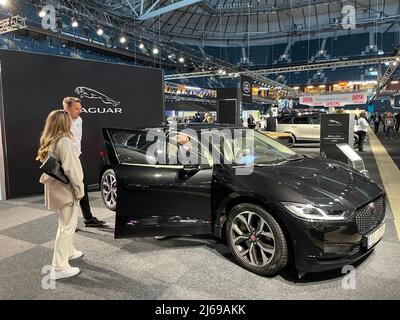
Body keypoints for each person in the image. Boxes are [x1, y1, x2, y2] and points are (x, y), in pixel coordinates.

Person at [37, 110, 84, 280]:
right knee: (67, 226)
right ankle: (58, 267)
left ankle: (69, 251)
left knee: (67, 223)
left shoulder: (51, 140)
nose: (72, 122)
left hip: (56, 187)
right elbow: (72, 169)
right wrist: (80, 189)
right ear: (64, 123)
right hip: (65, 189)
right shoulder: (64, 141)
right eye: (69, 120)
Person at [63, 97, 106, 227]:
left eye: (80, 108)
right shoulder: (60, 121)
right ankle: (69, 223)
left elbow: (77, 141)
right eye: (76, 108)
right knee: (68, 191)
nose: (79, 111)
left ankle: (88, 218)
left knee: (83, 188)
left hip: (78, 157)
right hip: (66, 159)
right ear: (67, 108)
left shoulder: (80, 120)